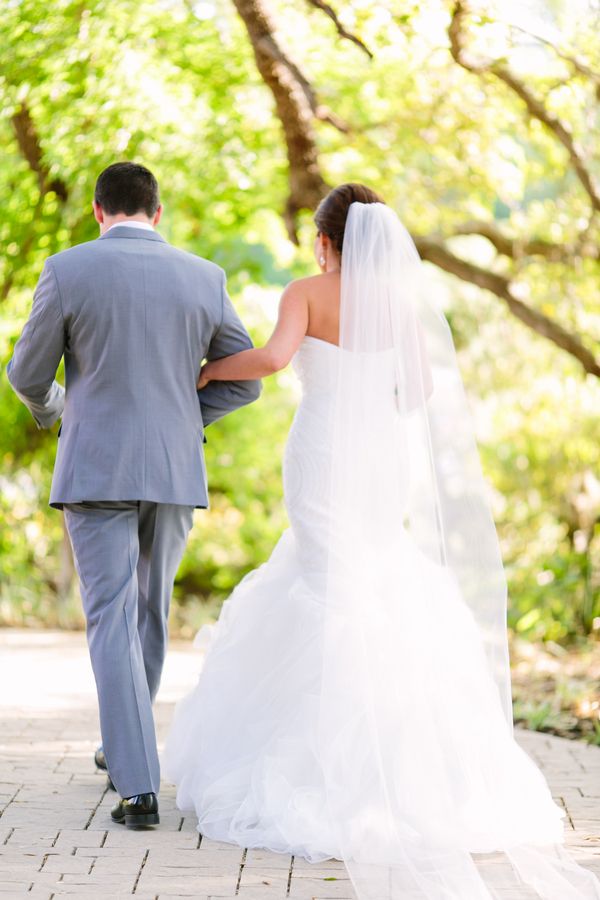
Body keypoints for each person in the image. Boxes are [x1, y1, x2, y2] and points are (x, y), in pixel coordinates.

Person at [164, 184, 600, 899]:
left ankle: (336, 770)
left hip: (324, 456)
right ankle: (409, 768)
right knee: (378, 577)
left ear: (329, 242)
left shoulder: (306, 291)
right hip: (380, 459)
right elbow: (418, 391)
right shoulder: (398, 305)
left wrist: (210, 370)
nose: (313, 245)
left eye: (316, 234)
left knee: (326, 584)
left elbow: (273, 361)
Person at [7, 162, 261, 829]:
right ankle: (127, 750)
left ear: (98, 211)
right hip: (174, 471)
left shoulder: (68, 270)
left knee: (111, 619)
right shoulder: (204, 277)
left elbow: (27, 374)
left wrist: (60, 407)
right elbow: (246, 380)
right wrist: (183, 418)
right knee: (149, 613)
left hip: (95, 468)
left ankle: (136, 783)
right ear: (158, 211)